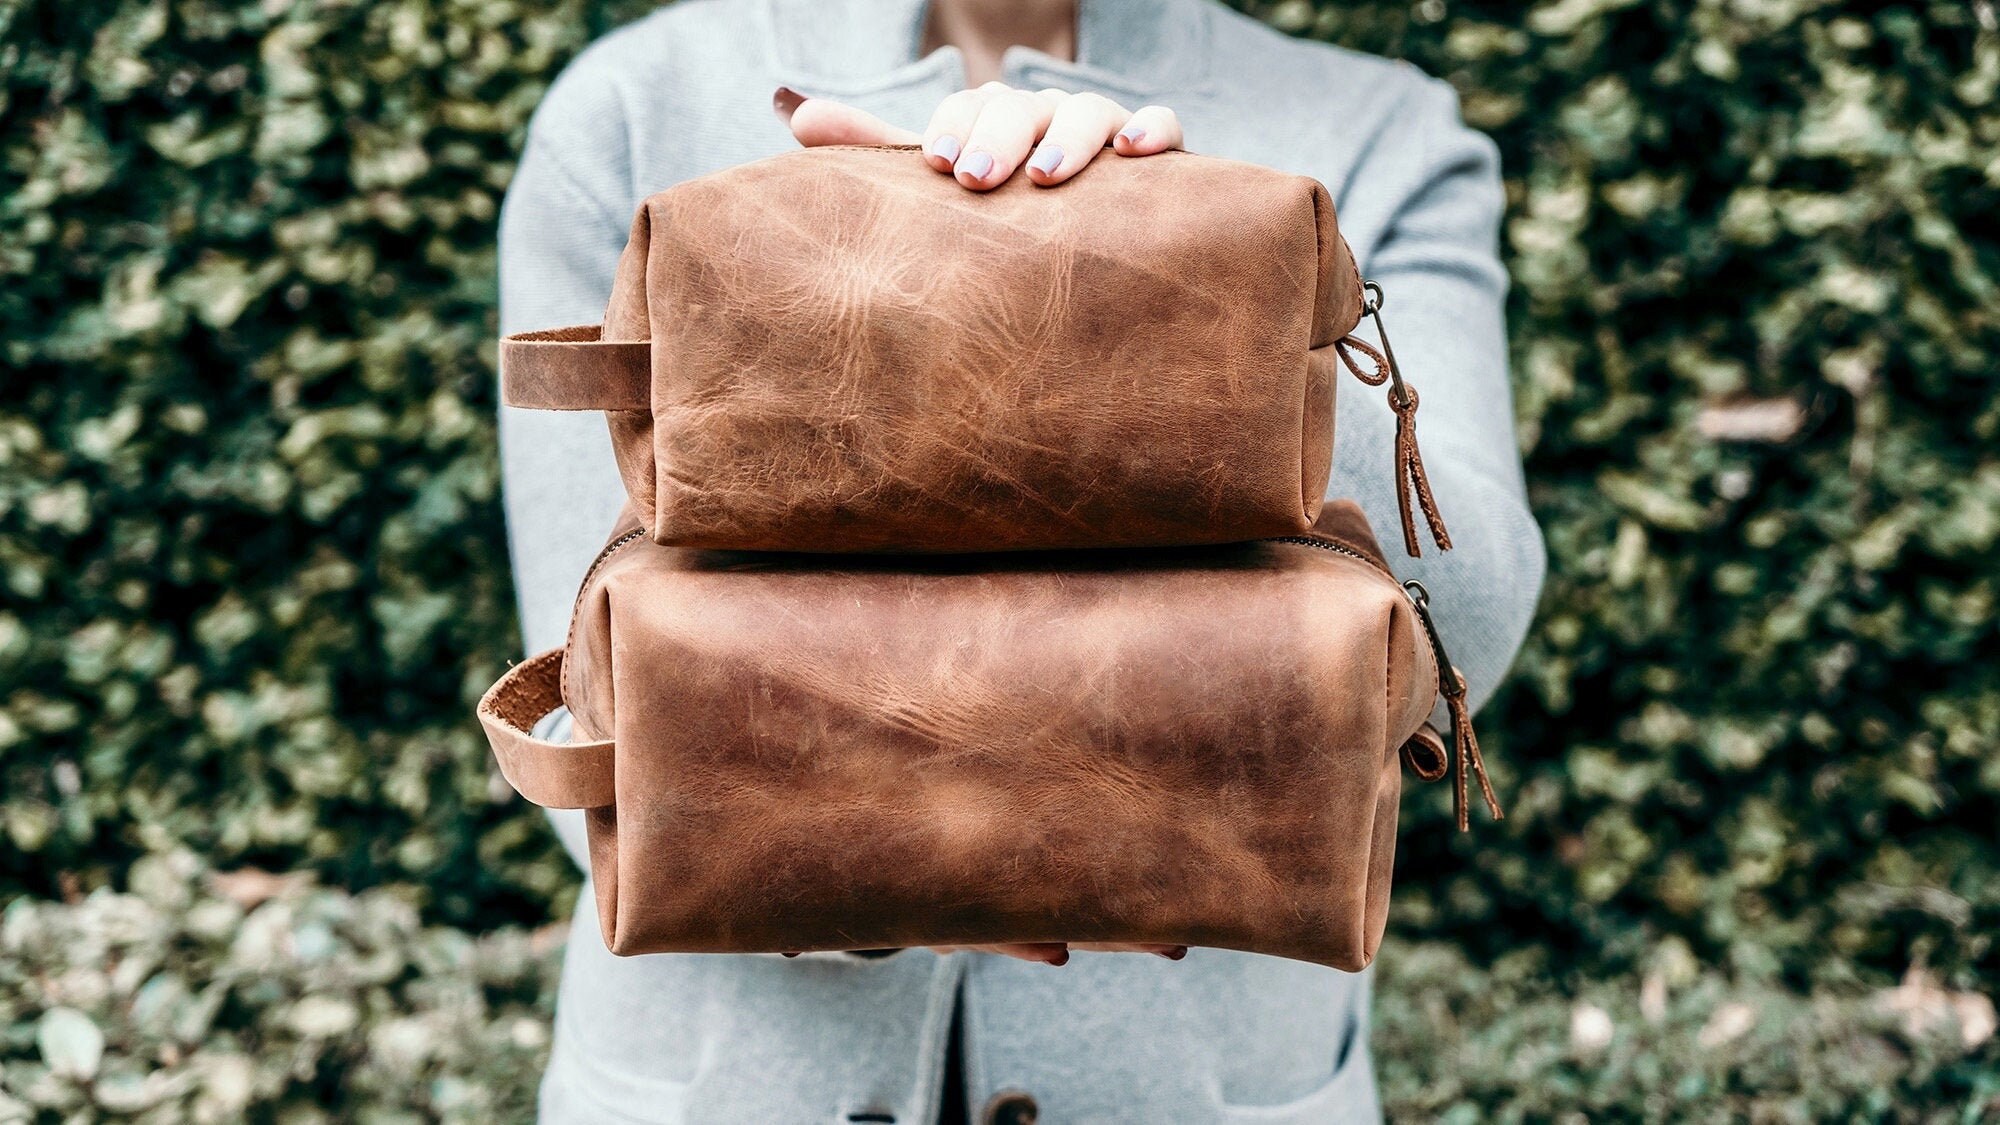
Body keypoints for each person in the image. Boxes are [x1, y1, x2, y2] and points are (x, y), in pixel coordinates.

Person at [496, 0, 1545, 1120]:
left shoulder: (1378, 125)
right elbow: (591, 717)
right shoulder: (628, 103)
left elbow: (1461, 622)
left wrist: (1186, 270)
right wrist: (921, 856)